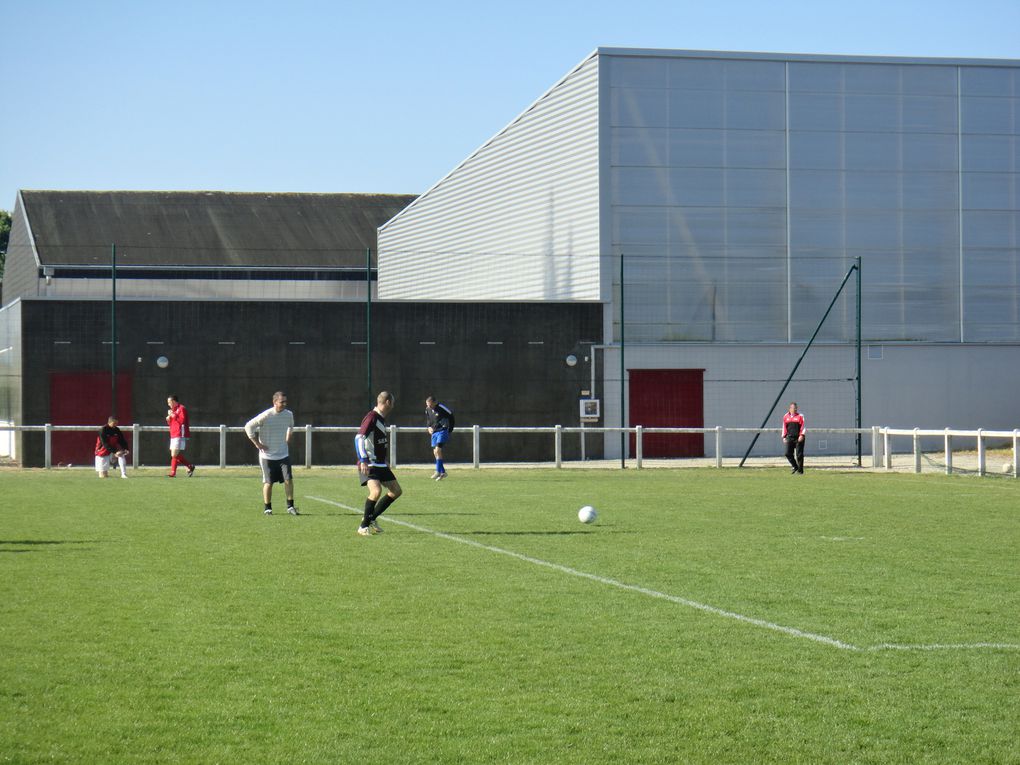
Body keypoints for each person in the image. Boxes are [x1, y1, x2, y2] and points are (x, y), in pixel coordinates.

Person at [354, 391, 402, 536]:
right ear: (388, 402)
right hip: (370, 464)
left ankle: (371, 518)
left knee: (396, 491)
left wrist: (384, 459)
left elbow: (377, 442)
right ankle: (363, 527)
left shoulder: (380, 418)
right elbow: (359, 438)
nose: (393, 405)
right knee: (376, 492)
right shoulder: (372, 417)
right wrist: (363, 459)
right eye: (392, 402)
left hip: (380, 463)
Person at [244, 391, 298, 516]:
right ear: (275, 402)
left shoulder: (289, 414)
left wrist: (288, 436)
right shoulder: (266, 415)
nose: (284, 404)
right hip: (267, 456)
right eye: (281, 402)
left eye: (285, 402)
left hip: (283, 454)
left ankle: (290, 507)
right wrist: (257, 444)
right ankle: (268, 508)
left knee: (288, 479)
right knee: (268, 482)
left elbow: (291, 426)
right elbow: (248, 426)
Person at [425, 395, 455, 480]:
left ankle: (437, 471)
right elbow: (428, 420)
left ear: (435, 402)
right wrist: (428, 427)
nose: (429, 406)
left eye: (430, 405)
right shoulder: (427, 409)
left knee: (438, 450)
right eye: (427, 405)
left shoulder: (441, 408)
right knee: (435, 452)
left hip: (442, 430)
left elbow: (451, 416)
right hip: (434, 432)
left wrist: (450, 430)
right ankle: (443, 472)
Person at [166, 394, 195, 478]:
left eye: (169, 402)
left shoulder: (181, 408)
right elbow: (172, 423)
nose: (168, 404)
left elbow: (182, 420)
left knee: (174, 454)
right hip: (173, 433)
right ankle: (189, 466)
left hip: (179, 433)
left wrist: (173, 415)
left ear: (174, 401)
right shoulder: (173, 410)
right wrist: (168, 419)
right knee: (174, 454)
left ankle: (173, 473)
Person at [782, 402, 806, 474]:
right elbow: (784, 427)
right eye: (793, 408)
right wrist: (784, 437)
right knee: (787, 453)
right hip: (789, 437)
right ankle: (795, 466)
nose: (795, 409)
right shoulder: (785, 416)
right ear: (790, 408)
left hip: (799, 437)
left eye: (796, 408)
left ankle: (800, 471)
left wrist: (801, 435)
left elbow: (803, 426)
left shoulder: (800, 416)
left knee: (799, 455)